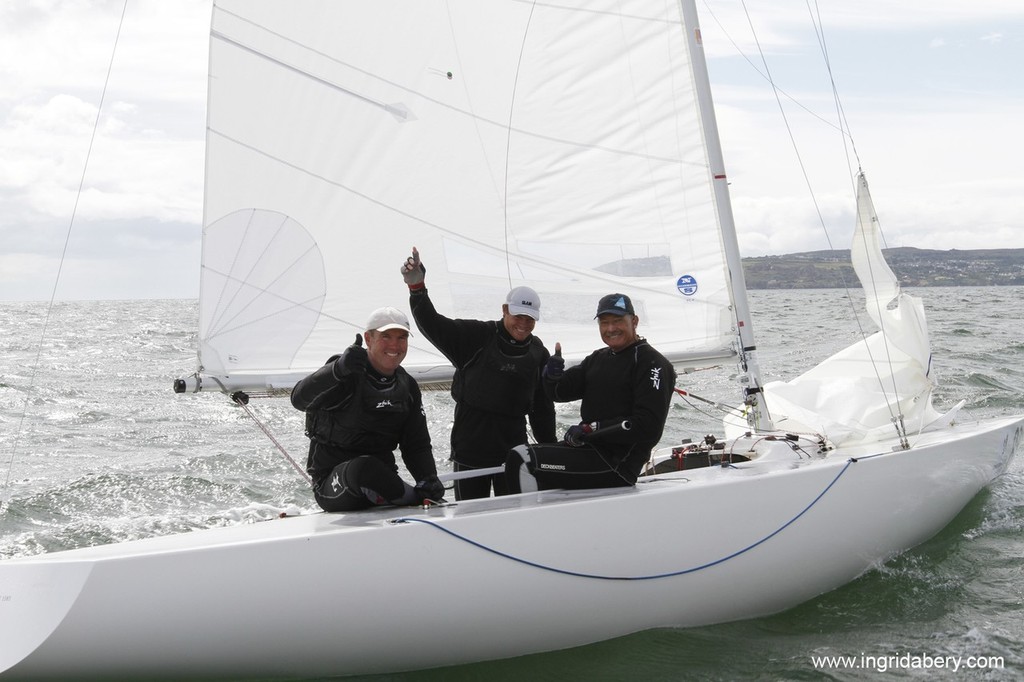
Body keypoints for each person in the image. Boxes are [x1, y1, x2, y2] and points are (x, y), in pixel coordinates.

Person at [400, 246, 556, 500]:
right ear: (505, 309)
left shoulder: (538, 352)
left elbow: (542, 409)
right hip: (471, 451)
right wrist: (417, 288)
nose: (524, 323)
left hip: (513, 452)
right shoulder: (476, 337)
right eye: (518, 315)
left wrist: (552, 449)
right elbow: (431, 323)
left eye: (530, 318)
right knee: (469, 518)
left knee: (513, 517)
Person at [507, 292, 676, 492]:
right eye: (604, 323)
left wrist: (592, 428)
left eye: (617, 321)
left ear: (635, 321)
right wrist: (551, 376)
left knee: (522, 460)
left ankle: (526, 523)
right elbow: (559, 393)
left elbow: (648, 426)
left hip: (617, 464)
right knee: (517, 457)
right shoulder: (598, 358)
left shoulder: (653, 364)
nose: (611, 328)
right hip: (590, 452)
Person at [290, 306, 444, 511]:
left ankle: (423, 500)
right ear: (368, 339)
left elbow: (416, 444)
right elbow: (298, 399)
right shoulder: (344, 372)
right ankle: (414, 500)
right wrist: (337, 370)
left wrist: (428, 479)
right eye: (386, 336)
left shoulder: (407, 386)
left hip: (381, 484)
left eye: (402, 338)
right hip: (334, 483)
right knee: (364, 468)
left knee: (373, 468)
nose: (395, 345)